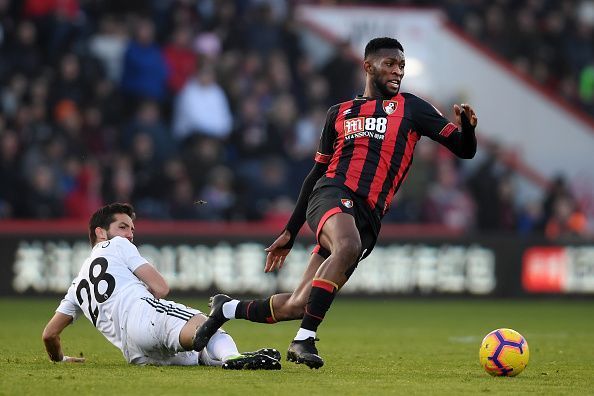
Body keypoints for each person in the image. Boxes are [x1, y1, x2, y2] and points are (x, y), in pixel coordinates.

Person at [193, 37, 478, 369]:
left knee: (299, 304)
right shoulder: (339, 113)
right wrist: (290, 230)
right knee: (346, 245)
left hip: (369, 216)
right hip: (332, 194)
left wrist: (468, 130)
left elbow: (463, 148)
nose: (397, 71)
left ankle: (226, 309)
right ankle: (304, 341)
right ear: (368, 66)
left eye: (401, 65)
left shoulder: (413, 107)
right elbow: (315, 173)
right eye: (389, 64)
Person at [41, 202, 281, 370]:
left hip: (135, 354)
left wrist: (59, 359)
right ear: (101, 233)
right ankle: (232, 354)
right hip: (144, 315)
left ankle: (229, 358)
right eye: (122, 227)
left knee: (196, 353)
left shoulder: (77, 286)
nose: (129, 234)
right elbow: (160, 287)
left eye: (132, 229)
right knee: (207, 326)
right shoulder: (118, 246)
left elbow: (49, 335)